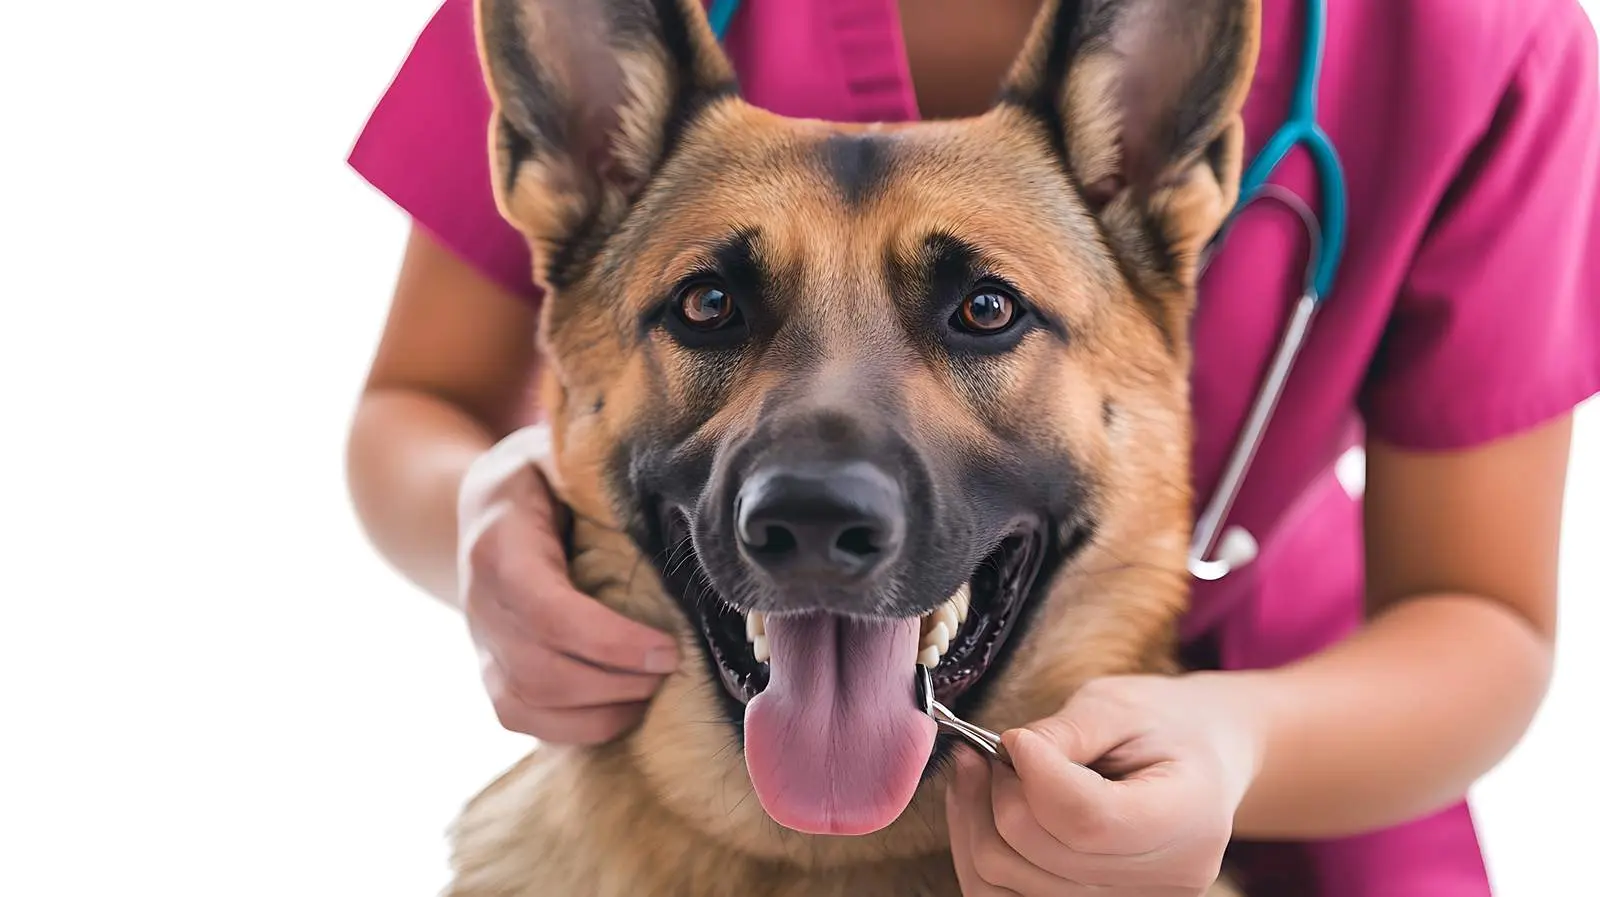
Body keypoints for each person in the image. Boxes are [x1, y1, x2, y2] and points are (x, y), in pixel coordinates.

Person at [343, 0, 1600, 894]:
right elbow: (421, 403)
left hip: (1302, 756)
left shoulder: (1473, 35)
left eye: (984, 312)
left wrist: (1239, 743)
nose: (820, 495)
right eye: (714, 307)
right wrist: (484, 521)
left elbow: (1483, 613)